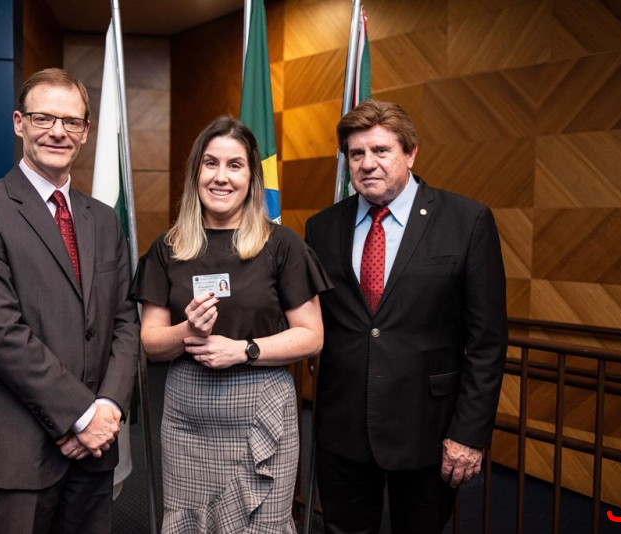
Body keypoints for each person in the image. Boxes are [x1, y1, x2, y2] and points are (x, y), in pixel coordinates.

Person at [0, 68, 140, 534]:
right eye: (43, 118)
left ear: (85, 132)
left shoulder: (103, 220)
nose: (58, 131)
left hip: (94, 452)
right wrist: (80, 416)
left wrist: (107, 408)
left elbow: (125, 322)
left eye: (71, 121)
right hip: (16, 451)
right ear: (19, 123)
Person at [305, 100, 507, 534]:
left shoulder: (467, 221)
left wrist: (469, 434)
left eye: (381, 150)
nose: (367, 163)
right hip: (343, 430)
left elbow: (487, 342)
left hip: (428, 432)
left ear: (411, 153)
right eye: (356, 154)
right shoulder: (322, 228)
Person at [133, 116, 331, 533]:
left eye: (234, 165)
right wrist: (187, 332)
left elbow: (312, 336)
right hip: (188, 417)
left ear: (252, 177)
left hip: (263, 409)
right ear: (196, 173)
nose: (221, 177)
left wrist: (243, 350)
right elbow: (150, 342)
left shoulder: (282, 245)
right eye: (211, 163)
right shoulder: (168, 248)